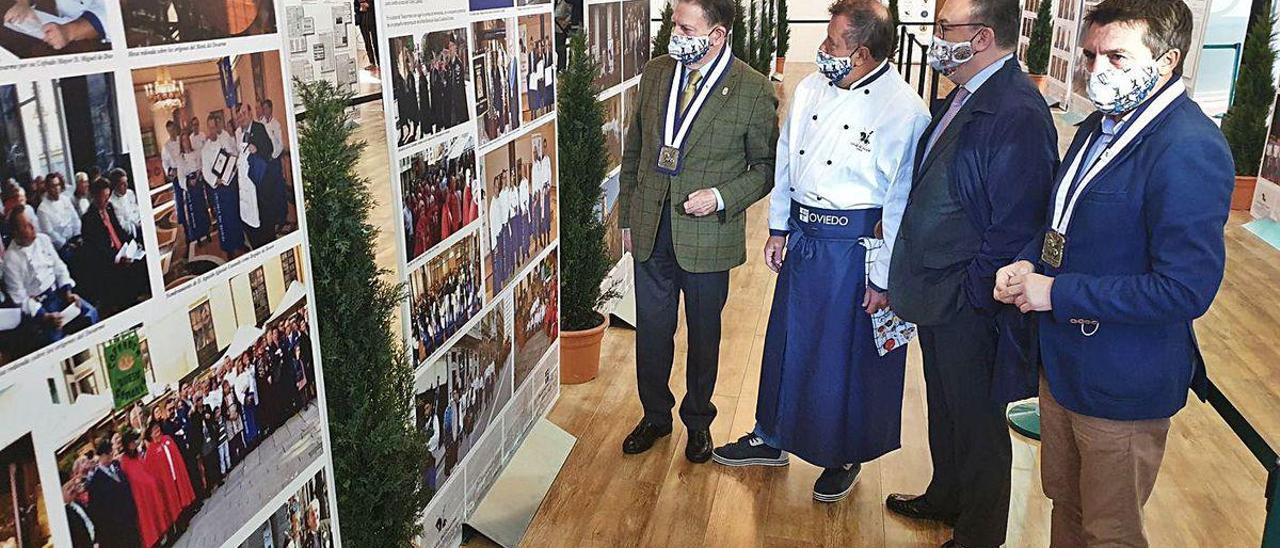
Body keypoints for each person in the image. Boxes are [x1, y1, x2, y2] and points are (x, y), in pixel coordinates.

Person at [992, 1, 1234, 544]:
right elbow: (1067, 219)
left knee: (1111, 530)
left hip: (1122, 383)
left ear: (1168, 61)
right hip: (1066, 368)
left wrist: (1057, 292)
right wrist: (1031, 259)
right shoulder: (1099, 126)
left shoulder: (1187, 148)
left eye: (1118, 57)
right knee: (1068, 509)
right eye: (1091, 54)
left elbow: (1185, 288)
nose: (1098, 69)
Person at [711, 0, 930, 503]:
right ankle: (771, 436)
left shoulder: (905, 110)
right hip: (804, 239)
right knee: (786, 342)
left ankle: (842, 453)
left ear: (862, 53)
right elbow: (787, 160)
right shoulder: (810, 88)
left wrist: (882, 277)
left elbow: (898, 202)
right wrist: (778, 227)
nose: (822, 51)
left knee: (844, 357)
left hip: (855, 249)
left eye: (831, 44)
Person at [884, 0, 1058, 545]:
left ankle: (980, 531)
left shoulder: (1017, 113)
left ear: (981, 37)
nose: (934, 38)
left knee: (980, 419)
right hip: (940, 292)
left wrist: (972, 292)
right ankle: (948, 494)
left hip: (972, 302)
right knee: (947, 404)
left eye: (943, 29)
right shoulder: (964, 96)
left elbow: (1017, 225)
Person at [619, 0, 778, 463]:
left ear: (717, 36)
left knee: (704, 333)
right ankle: (655, 415)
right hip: (652, 226)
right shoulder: (655, 74)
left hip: (707, 233)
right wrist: (629, 215)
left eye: (685, 27)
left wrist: (722, 196)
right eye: (674, 23)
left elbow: (764, 169)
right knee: (651, 329)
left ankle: (698, 421)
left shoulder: (751, 90)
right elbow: (635, 149)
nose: (675, 33)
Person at [3, 208, 98, 343]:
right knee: (55, 341)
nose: (33, 227)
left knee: (90, 313)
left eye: (32, 222)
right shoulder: (10, 260)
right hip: (40, 306)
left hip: (59, 294)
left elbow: (59, 268)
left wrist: (68, 292)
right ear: (15, 232)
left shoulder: (43, 240)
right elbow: (20, 298)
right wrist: (44, 315)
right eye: (26, 226)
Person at [80, 178, 147, 312]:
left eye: (108, 196)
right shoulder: (89, 218)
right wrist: (117, 259)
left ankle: (138, 298)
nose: (106, 200)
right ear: (94, 196)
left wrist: (132, 243)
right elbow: (97, 250)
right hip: (107, 261)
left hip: (121, 250)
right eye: (103, 197)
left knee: (142, 261)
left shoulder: (109, 208)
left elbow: (119, 230)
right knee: (123, 273)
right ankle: (127, 304)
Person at [118, 430, 173, 547]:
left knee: (158, 514)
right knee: (148, 522)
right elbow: (132, 478)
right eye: (131, 442)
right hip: (140, 498)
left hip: (150, 492)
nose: (134, 444)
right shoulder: (124, 462)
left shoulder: (136, 455)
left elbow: (144, 469)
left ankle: (166, 535)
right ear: (127, 445)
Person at [84, 438, 141, 548]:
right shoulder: (96, 482)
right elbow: (97, 510)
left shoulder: (116, 466)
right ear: (101, 456)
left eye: (111, 453)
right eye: (107, 454)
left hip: (129, 517)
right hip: (116, 526)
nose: (111, 456)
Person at [2, 0, 107, 50]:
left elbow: (115, 10)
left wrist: (71, 31)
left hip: (110, 47)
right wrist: (23, 3)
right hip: (67, 39)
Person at [36, 173, 81, 252]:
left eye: (58, 185)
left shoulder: (65, 199)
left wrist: (77, 236)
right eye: (53, 186)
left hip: (74, 238)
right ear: (47, 188)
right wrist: (66, 244)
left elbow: (75, 219)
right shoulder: (42, 209)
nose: (57, 188)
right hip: (60, 247)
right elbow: (49, 232)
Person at [107, 168, 143, 240]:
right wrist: (136, 224)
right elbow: (122, 225)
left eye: (126, 182)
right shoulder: (111, 203)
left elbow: (137, 210)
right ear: (115, 185)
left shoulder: (130, 193)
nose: (126, 185)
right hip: (130, 234)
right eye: (122, 184)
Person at [355, 0, 378, 71]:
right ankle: (372, 62)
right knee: (367, 43)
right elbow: (355, 5)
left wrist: (368, 5)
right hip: (362, 20)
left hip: (373, 19)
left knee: (376, 41)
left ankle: (380, 62)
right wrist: (359, 7)